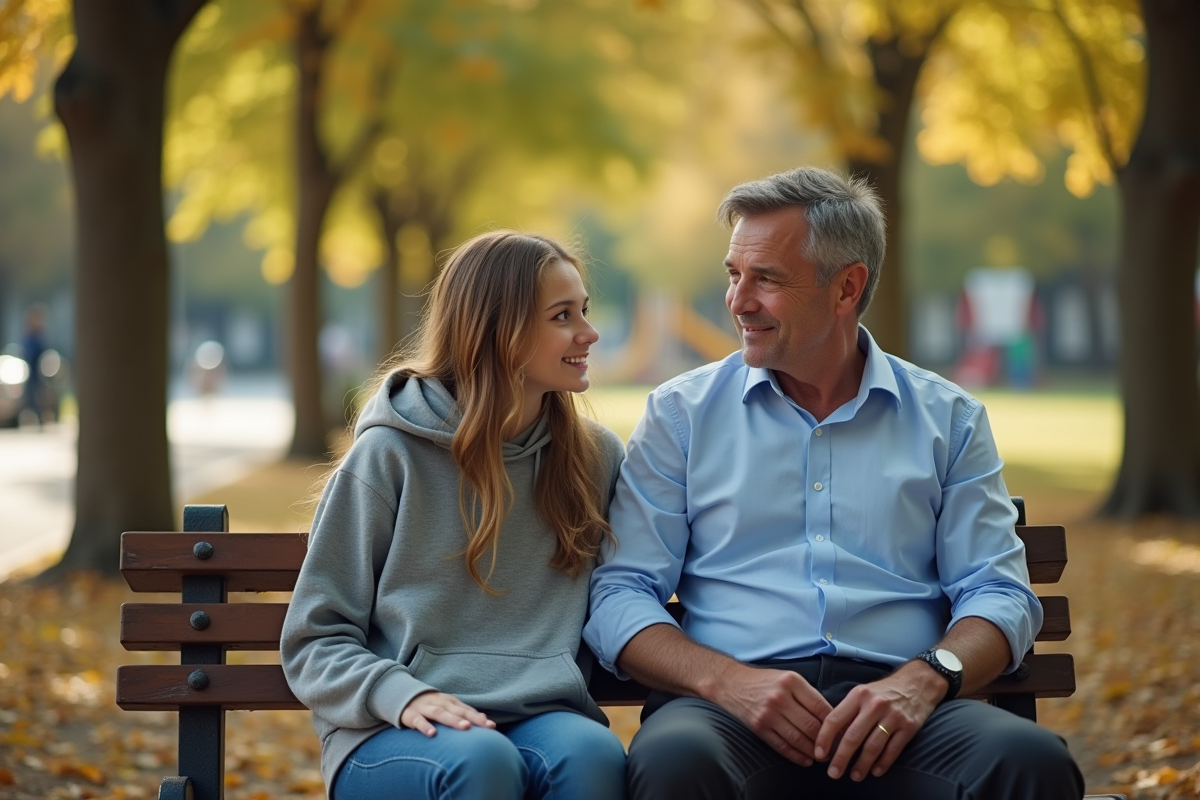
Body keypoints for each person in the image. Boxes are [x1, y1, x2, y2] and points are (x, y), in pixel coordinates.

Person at [584, 167, 1085, 800]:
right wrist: (727, 682)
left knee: (1030, 763)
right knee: (675, 764)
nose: (738, 302)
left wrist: (925, 680)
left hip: (904, 709)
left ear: (847, 287)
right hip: (729, 715)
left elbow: (998, 592)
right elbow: (621, 593)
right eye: (734, 274)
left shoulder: (948, 419)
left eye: (766, 278)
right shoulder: (680, 416)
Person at [282, 231, 628, 800]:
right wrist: (402, 694)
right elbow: (313, 638)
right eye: (563, 316)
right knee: (483, 761)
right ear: (498, 330)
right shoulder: (389, 455)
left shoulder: (594, 457)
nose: (588, 333)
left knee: (593, 756)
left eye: (583, 311)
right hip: (392, 728)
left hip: (542, 713)